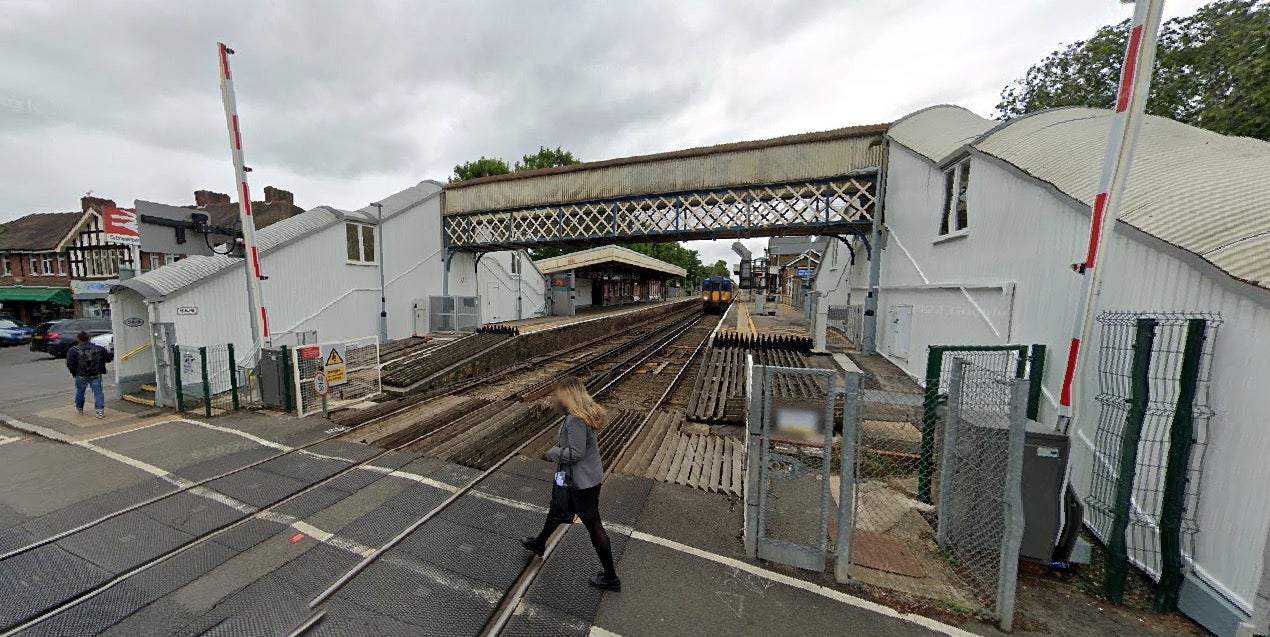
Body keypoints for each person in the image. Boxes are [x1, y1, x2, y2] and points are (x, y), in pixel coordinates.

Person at [521, 376, 621, 591]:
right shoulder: (581, 414)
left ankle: (611, 577)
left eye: (561, 394)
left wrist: (554, 452)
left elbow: (576, 453)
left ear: (569, 395)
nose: (557, 397)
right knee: (556, 505)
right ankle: (540, 542)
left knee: (593, 525)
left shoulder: (576, 419)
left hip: (580, 480)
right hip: (571, 476)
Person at [66, 331, 108, 418]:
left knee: (80, 391)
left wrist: (75, 372)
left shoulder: (73, 350)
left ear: (78, 339)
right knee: (98, 392)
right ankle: (100, 411)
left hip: (80, 374)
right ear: (89, 338)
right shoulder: (99, 348)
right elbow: (108, 358)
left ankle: (79, 408)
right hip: (96, 374)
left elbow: (70, 363)